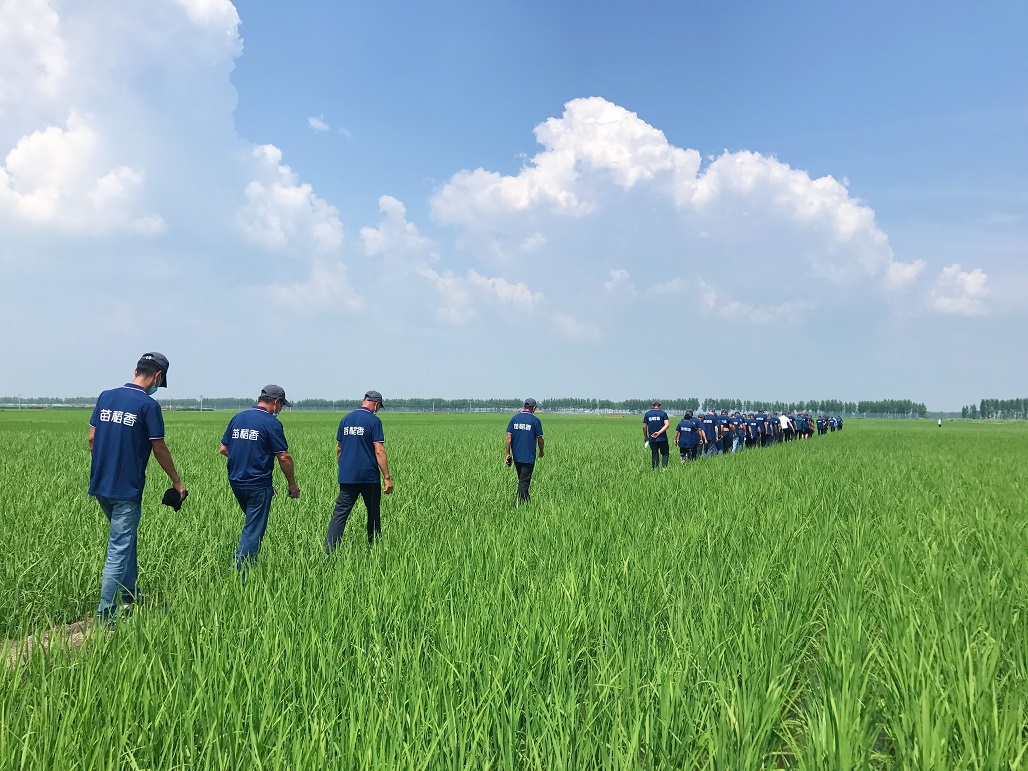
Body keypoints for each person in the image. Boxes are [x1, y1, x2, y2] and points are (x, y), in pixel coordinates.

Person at [88, 352, 186, 624]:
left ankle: (130, 594)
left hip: (100, 484)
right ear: (158, 376)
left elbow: (92, 438)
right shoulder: (147, 405)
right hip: (126, 490)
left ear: (136, 370)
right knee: (118, 549)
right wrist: (176, 481)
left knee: (126, 540)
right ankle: (107, 615)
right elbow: (159, 448)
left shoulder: (106, 396)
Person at [220, 385, 300, 570]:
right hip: (257, 484)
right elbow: (284, 457)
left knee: (251, 522)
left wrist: (246, 459)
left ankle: (244, 566)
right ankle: (241, 571)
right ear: (276, 402)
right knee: (253, 528)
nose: (280, 409)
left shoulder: (238, 418)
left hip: (236, 481)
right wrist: (292, 485)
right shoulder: (271, 423)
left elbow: (224, 449)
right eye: (282, 405)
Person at [325, 391, 393, 552]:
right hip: (368, 477)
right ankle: (374, 549)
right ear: (376, 404)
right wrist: (387, 477)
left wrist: (344, 468)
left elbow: (339, 450)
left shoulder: (345, 420)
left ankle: (329, 552)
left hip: (347, 476)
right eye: (378, 407)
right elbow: (379, 450)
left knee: (340, 514)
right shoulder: (374, 421)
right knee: (373, 511)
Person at [506, 398, 545, 499]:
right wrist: (541, 451)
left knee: (522, 479)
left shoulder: (514, 419)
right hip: (528, 457)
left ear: (524, 406)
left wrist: (508, 453)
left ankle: (527, 502)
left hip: (517, 456)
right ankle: (518, 503)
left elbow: (509, 437)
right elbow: (540, 439)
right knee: (524, 481)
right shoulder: (535, 420)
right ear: (534, 408)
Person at [642, 400, 671, 468]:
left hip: (652, 438)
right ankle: (664, 468)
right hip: (662, 438)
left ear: (652, 406)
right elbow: (667, 425)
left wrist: (646, 437)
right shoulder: (663, 413)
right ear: (660, 406)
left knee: (654, 453)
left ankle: (655, 469)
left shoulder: (647, 414)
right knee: (665, 453)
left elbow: (644, 427)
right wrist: (659, 433)